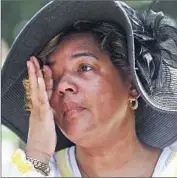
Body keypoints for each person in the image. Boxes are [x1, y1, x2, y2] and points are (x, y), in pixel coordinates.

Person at [2, 1, 177, 177]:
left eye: (84, 67)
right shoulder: (34, 170)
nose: (62, 86)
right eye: (53, 79)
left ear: (132, 85)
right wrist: (38, 155)